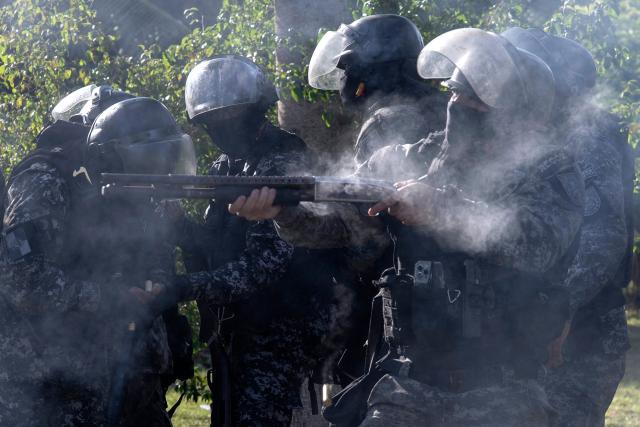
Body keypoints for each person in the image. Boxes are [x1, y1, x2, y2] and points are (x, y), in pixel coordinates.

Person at [230, 28, 585, 426]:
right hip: (409, 384)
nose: (458, 106)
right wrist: (282, 212)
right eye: (454, 94)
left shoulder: (551, 170)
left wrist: (441, 209)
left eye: (475, 102)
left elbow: (539, 245)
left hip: (502, 388)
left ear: (515, 116)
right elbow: (339, 223)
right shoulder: (421, 155)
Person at [0, 95, 196, 426]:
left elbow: (152, 248)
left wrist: (157, 285)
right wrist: (108, 297)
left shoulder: (135, 178)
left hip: (123, 370)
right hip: (48, 379)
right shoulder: (46, 181)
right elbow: (22, 279)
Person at [167, 54, 339, 426]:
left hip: (282, 330)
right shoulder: (226, 166)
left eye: (230, 117)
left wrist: (182, 287)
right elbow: (214, 248)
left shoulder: (283, 160)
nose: (221, 128)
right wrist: (180, 224)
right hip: (239, 329)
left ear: (257, 110)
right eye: (211, 121)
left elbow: (263, 266)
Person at [502, 27, 632, 426]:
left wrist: (559, 311)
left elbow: (603, 237)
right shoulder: (535, 136)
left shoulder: (586, 140)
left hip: (578, 338)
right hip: (534, 326)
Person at [308, 14, 447, 168]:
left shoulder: (382, 123)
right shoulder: (443, 106)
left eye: (348, 66)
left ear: (371, 68)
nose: (344, 76)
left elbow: (369, 190)